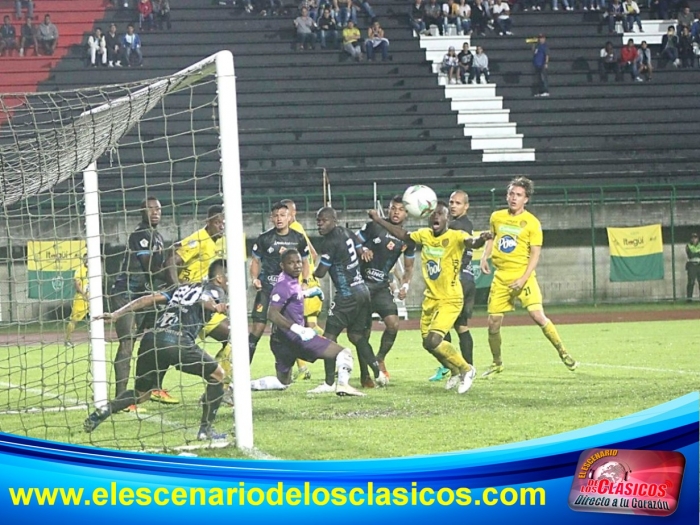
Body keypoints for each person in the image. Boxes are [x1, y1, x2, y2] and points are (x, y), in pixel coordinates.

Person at [84, 260, 230, 441]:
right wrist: (214, 306)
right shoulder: (214, 290)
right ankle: (205, 430)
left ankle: (107, 408)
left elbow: (148, 299)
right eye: (229, 279)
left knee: (141, 394)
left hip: (151, 340)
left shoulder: (182, 288)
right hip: (177, 341)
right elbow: (205, 298)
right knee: (218, 375)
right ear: (219, 278)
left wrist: (117, 313)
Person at [367, 204, 489, 394]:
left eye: (440, 214)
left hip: (450, 298)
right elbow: (402, 235)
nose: (435, 217)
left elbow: (472, 242)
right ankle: (454, 370)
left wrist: (481, 239)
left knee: (434, 340)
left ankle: (467, 369)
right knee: (428, 344)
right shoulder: (424, 234)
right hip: (431, 299)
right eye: (432, 214)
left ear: (447, 219)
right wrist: (378, 220)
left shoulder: (456, 236)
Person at [479, 177, 579, 378]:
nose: (513, 198)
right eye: (511, 194)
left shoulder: (532, 223)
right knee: (493, 323)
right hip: (501, 277)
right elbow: (491, 237)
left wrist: (523, 278)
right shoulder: (496, 217)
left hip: (523, 276)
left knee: (537, 316)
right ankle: (497, 363)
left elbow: (535, 254)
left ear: (526, 199)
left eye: (518, 195)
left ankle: (563, 352)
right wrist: (484, 256)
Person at [250, 249, 364, 396]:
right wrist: (299, 329)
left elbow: (291, 297)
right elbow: (272, 314)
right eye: (291, 263)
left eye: (298, 262)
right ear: (282, 265)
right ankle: (343, 385)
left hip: (281, 341)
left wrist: (308, 293)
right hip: (295, 338)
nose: (297, 265)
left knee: (282, 382)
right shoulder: (284, 284)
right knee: (344, 353)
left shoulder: (289, 280)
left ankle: (241, 386)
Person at [308, 207, 387, 393]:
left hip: (347, 294)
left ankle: (329, 383)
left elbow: (321, 272)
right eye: (318, 221)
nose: (320, 224)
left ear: (334, 220)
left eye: (324, 220)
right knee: (357, 336)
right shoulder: (347, 232)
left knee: (328, 337)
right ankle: (378, 373)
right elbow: (360, 249)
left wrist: (309, 273)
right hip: (362, 290)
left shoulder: (330, 242)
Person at [165, 204, 233, 402]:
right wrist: (177, 288)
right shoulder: (200, 239)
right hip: (193, 304)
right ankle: (219, 387)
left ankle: (218, 386)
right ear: (208, 222)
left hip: (202, 302)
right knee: (235, 338)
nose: (221, 226)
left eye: (223, 223)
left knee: (233, 339)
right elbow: (171, 260)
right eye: (217, 222)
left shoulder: (213, 242)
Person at [110, 197, 173, 406]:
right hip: (126, 294)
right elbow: (150, 268)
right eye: (151, 209)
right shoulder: (140, 235)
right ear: (142, 211)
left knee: (156, 341)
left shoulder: (158, 237)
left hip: (145, 296)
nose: (155, 212)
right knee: (127, 344)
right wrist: (175, 276)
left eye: (158, 209)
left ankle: (153, 388)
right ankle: (121, 399)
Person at [355, 195, 415, 386]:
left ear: (407, 213)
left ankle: (379, 358)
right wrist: (362, 250)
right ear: (388, 209)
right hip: (363, 284)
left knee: (393, 324)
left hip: (382, 287)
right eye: (393, 208)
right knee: (363, 332)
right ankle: (365, 374)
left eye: (401, 209)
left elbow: (409, 268)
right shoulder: (374, 226)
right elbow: (354, 241)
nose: (396, 212)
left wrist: (405, 285)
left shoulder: (407, 238)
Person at [248, 202, 310, 364]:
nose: (279, 219)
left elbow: (305, 262)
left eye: (282, 215)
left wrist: (305, 281)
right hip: (267, 289)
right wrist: (254, 278)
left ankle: (292, 369)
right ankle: (242, 369)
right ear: (271, 218)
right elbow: (255, 261)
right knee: (257, 329)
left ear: (289, 217)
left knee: (290, 330)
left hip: (288, 293)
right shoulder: (264, 238)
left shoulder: (298, 238)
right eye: (275, 216)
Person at [429, 190, 477, 381]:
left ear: (466, 206)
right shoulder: (466, 224)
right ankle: (467, 367)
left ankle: (451, 366)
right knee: (461, 326)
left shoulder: (455, 226)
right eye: (451, 202)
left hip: (457, 281)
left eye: (458, 203)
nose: (453, 206)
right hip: (467, 279)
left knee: (440, 325)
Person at [280, 198, 321, 380]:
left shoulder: (293, 232)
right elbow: (314, 254)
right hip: (311, 283)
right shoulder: (300, 228)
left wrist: (300, 279)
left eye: (285, 214)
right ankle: (306, 366)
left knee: (295, 327)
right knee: (308, 325)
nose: (282, 218)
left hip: (302, 285)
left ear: (292, 214)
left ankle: (329, 354)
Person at [64, 254, 89, 349]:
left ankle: (96, 339)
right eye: (85, 259)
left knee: (96, 318)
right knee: (74, 320)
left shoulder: (94, 270)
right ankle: (67, 340)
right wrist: (84, 295)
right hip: (81, 299)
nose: (87, 260)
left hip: (92, 298)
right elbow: (77, 285)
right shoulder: (80, 270)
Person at [686, 232, 700, 301]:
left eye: (695, 238)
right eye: (693, 238)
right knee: (691, 282)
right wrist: (697, 253)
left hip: (699, 265)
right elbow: (690, 255)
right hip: (691, 265)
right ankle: (689, 299)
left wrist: (695, 254)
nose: (694, 239)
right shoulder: (688, 246)